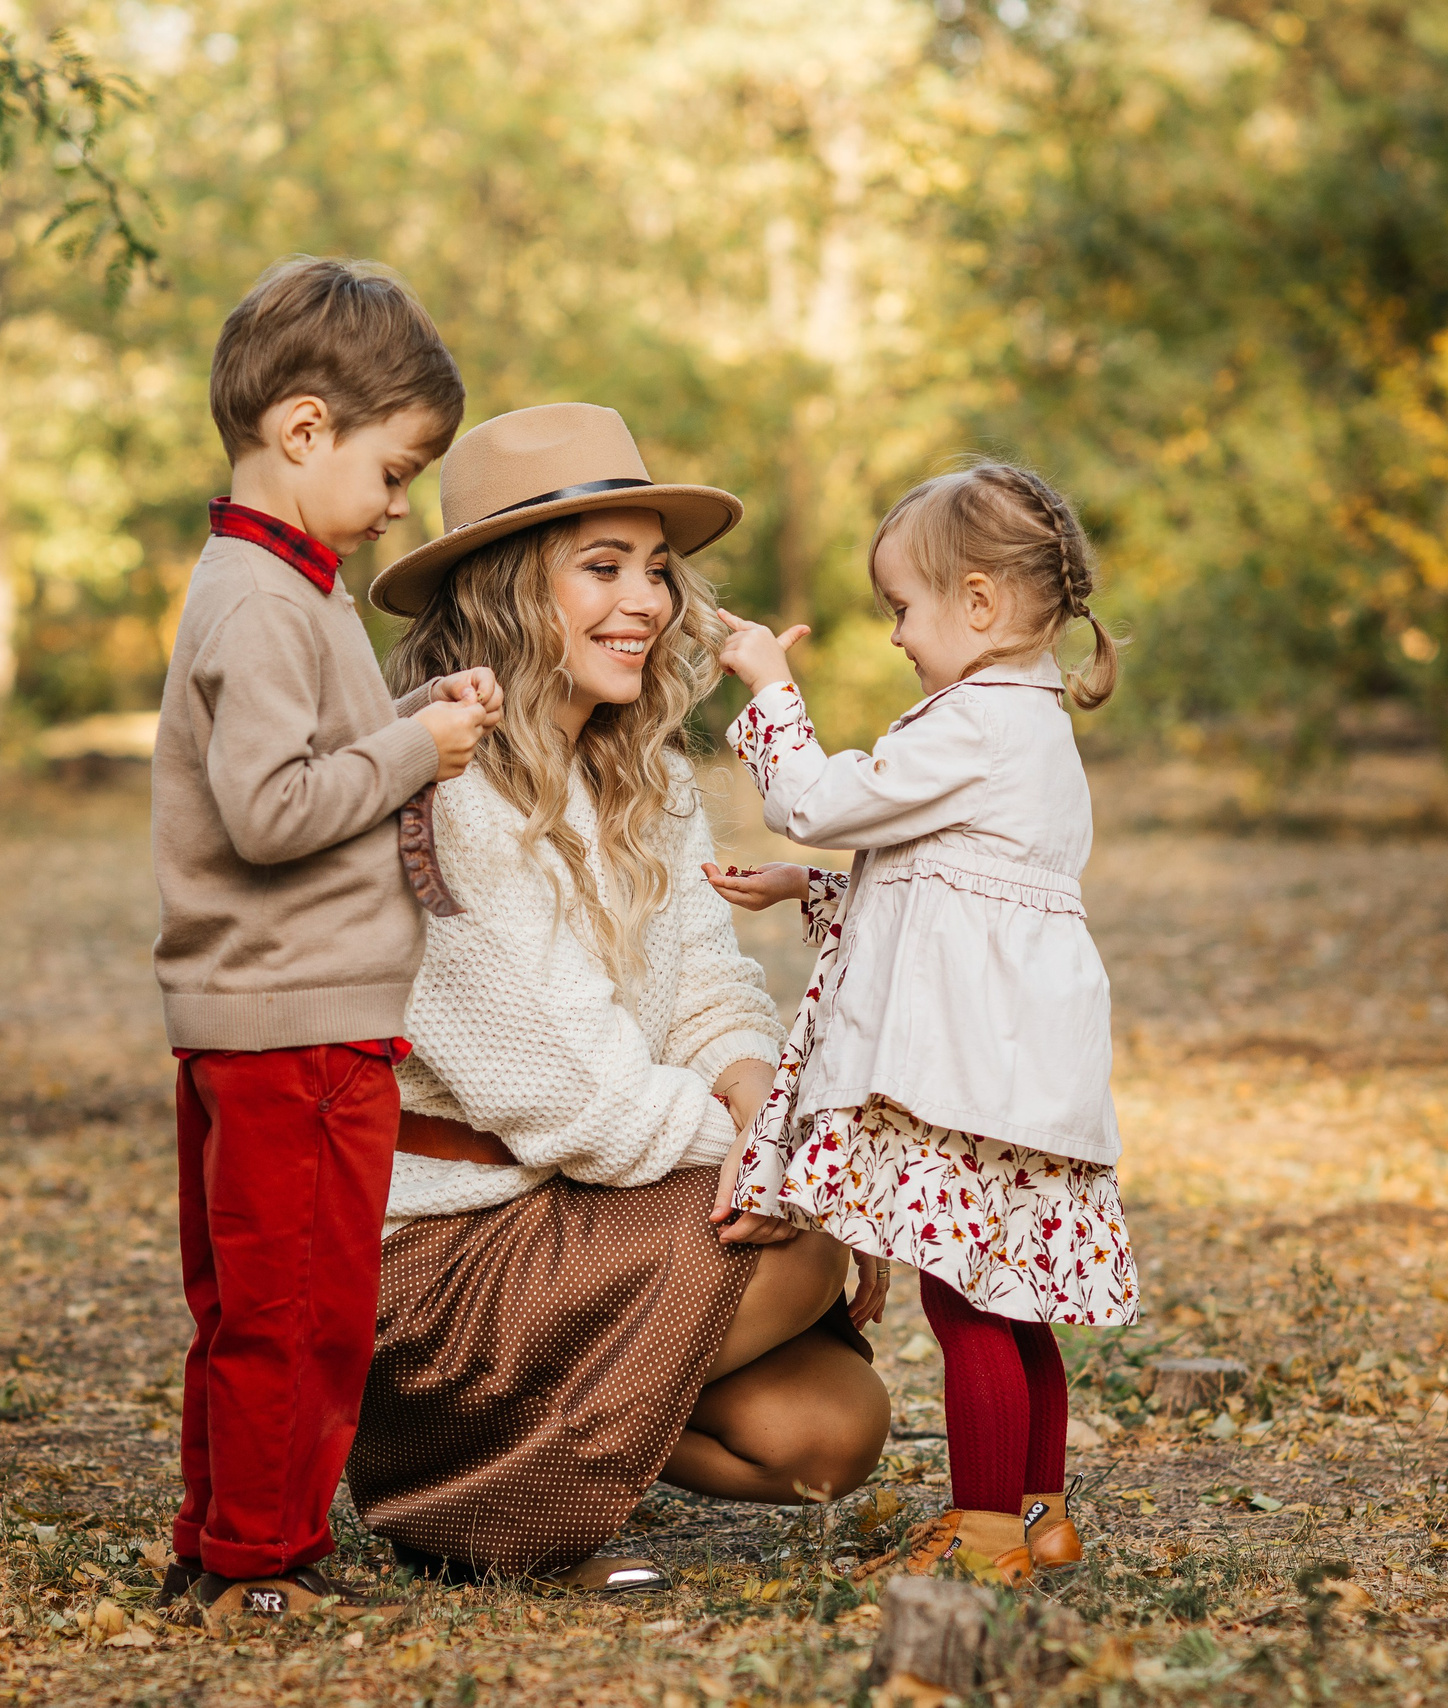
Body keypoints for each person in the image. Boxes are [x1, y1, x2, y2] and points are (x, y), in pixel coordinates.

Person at [343, 402, 892, 1590]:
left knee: (829, 1435)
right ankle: (482, 1500)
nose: (645, 601)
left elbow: (710, 983)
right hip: (446, 1254)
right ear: (502, 591)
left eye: (655, 569)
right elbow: (589, 1105)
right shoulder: (445, 790)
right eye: (601, 568)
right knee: (796, 1257)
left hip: (594, 1224)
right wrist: (799, 1175)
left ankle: (543, 1450)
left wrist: (758, 1098)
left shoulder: (636, 767)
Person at [706, 461, 1140, 1583]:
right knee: (1010, 1294)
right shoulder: (1023, 725)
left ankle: (987, 1527)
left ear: (981, 604)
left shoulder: (975, 723)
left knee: (963, 1297)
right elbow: (947, 894)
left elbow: (815, 796)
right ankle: (1037, 1511)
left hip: (963, 1074)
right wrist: (805, 890)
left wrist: (765, 684)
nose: (897, 634)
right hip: (1010, 1065)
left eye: (903, 606)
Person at [150, 257, 504, 1631]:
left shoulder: (289, 586)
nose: (402, 501)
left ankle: (224, 1540)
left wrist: (416, 721)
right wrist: (417, 749)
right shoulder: (259, 598)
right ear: (305, 432)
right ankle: (260, 1564)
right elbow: (270, 810)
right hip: (294, 1023)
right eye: (397, 469)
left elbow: (316, 758)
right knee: (300, 1313)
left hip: (285, 1014)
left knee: (257, 1303)